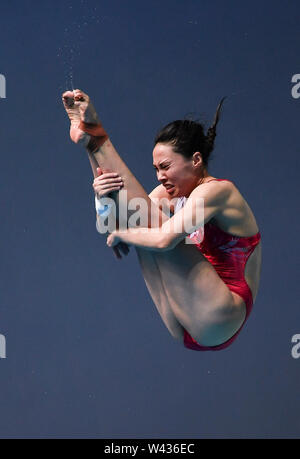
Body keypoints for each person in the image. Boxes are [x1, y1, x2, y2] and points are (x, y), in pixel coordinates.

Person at [62, 89, 262, 351]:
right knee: (141, 213)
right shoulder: (169, 195)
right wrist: (102, 198)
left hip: (222, 312)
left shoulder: (218, 191)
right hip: (189, 321)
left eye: (165, 167)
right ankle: (92, 142)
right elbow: (115, 223)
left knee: (151, 227)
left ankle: (97, 136)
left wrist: (123, 234)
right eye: (156, 169)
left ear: (196, 160)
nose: (159, 177)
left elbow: (165, 240)